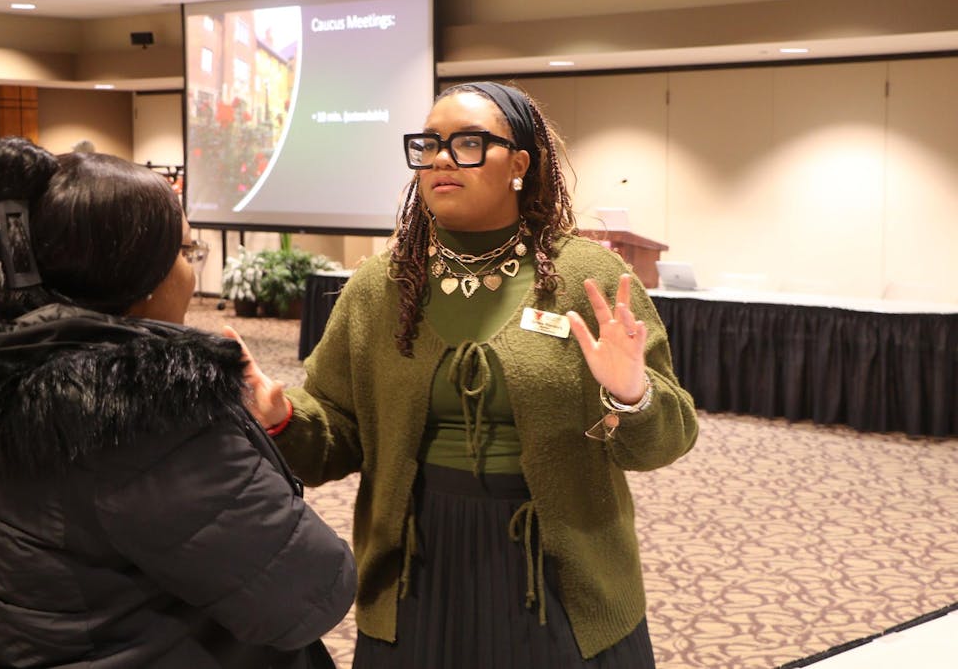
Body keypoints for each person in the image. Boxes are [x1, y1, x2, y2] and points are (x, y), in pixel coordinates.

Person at [240, 81, 699, 668]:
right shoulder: (381, 287)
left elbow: (668, 439)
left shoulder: (590, 278)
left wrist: (632, 394)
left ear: (520, 165)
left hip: (562, 562)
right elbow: (337, 433)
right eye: (428, 144)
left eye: (468, 143)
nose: (440, 160)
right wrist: (281, 416)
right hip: (416, 561)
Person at [0, 138, 356, 668]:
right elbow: (310, 592)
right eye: (184, 253)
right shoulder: (153, 420)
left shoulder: (16, 372)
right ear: (141, 278)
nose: (190, 272)